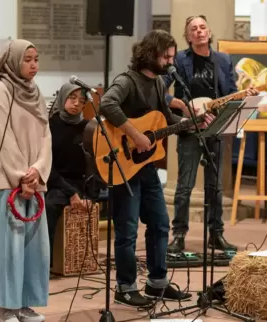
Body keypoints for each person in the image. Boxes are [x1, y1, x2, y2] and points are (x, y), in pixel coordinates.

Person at [99, 29, 209, 305]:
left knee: (160, 224)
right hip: (123, 166)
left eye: (172, 56)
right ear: (150, 54)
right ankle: (125, 288)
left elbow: (163, 118)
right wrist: (135, 135)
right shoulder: (127, 81)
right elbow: (107, 103)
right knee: (126, 229)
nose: (170, 62)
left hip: (146, 167)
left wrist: (192, 123)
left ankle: (156, 282)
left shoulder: (160, 83)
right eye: (166, 56)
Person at [163, 15, 258, 254]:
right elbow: (158, 91)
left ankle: (216, 235)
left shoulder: (223, 60)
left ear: (209, 31)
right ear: (187, 36)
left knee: (214, 187)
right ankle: (179, 236)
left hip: (215, 130)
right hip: (189, 130)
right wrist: (183, 107)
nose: (198, 31)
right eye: (193, 29)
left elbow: (231, 92)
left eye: (202, 27)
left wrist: (244, 97)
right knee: (184, 187)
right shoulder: (179, 60)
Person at [0, 39, 51, 322]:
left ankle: (25, 304)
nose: (33, 65)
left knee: (34, 248)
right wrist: (21, 175)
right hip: (9, 180)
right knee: (10, 248)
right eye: (27, 59)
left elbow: (46, 135)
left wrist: (38, 169)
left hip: (34, 180)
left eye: (36, 59)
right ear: (13, 61)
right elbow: (0, 137)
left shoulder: (35, 91)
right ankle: (5, 308)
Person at [45, 83, 104, 268]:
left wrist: (87, 195)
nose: (77, 103)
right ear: (63, 98)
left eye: (82, 100)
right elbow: (48, 167)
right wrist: (71, 192)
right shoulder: (50, 125)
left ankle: (84, 260)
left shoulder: (89, 127)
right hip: (57, 182)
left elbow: (94, 166)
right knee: (49, 205)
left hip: (81, 183)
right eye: (72, 98)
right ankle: (46, 264)